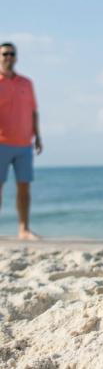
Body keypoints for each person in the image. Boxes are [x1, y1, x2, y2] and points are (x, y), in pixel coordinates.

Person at [0, 42, 42, 239]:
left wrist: (38, 136)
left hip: (24, 144)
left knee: (24, 188)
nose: (9, 57)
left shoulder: (26, 83)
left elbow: (34, 111)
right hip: (1, 143)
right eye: (5, 54)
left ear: (16, 57)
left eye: (12, 54)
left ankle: (24, 229)